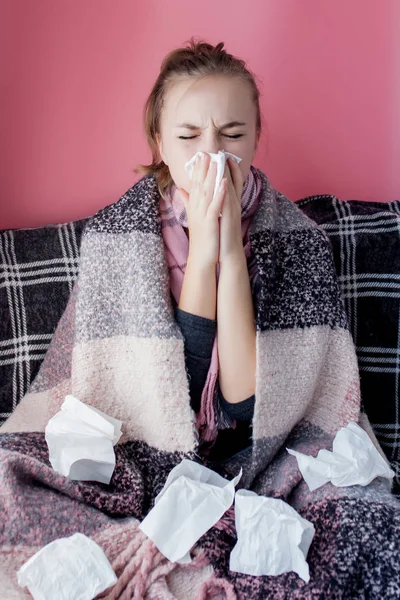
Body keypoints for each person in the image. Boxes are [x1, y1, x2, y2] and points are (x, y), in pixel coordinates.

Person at [1, 37, 399, 600]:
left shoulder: (298, 243)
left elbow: (246, 405)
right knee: (10, 489)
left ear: (256, 138)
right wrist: (203, 254)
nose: (212, 153)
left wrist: (229, 250)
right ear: (160, 143)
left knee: (366, 528)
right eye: (189, 137)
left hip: (265, 452)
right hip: (142, 444)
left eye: (232, 135)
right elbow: (166, 397)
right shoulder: (120, 240)